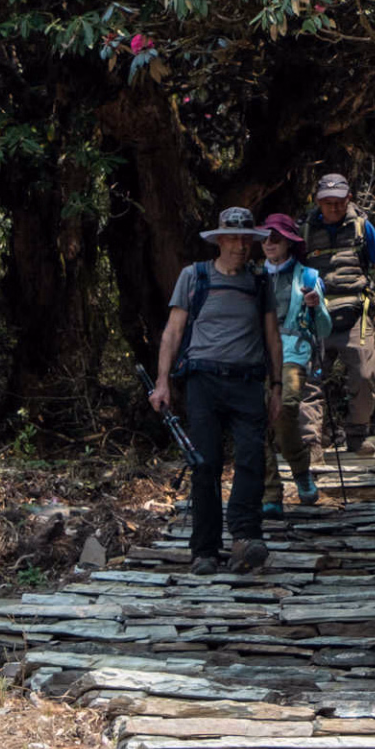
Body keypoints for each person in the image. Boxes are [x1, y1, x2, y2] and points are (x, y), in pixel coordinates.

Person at [152, 208, 281, 573]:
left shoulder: (259, 282)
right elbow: (173, 332)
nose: (241, 246)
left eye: (247, 240)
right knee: (204, 463)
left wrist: (276, 386)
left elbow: (272, 337)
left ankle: (245, 537)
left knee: (252, 460)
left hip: (247, 382)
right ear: (220, 240)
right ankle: (205, 550)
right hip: (203, 382)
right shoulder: (194, 277)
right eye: (234, 239)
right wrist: (162, 382)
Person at [304, 175, 375, 450]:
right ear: (318, 201)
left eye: (339, 202)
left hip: (355, 316)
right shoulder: (306, 231)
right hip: (315, 317)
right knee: (309, 379)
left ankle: (357, 435)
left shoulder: (362, 227)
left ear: (349, 199)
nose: (334, 208)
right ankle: (312, 442)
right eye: (328, 203)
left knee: (365, 373)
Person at [262, 212, 330, 512]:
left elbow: (325, 328)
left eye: (276, 237)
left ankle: (301, 472)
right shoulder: (253, 276)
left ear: (289, 242)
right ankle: (270, 493)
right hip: (256, 355)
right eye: (265, 236)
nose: (269, 242)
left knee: (286, 407)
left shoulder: (308, 277)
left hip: (292, 353)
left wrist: (316, 307)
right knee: (255, 419)